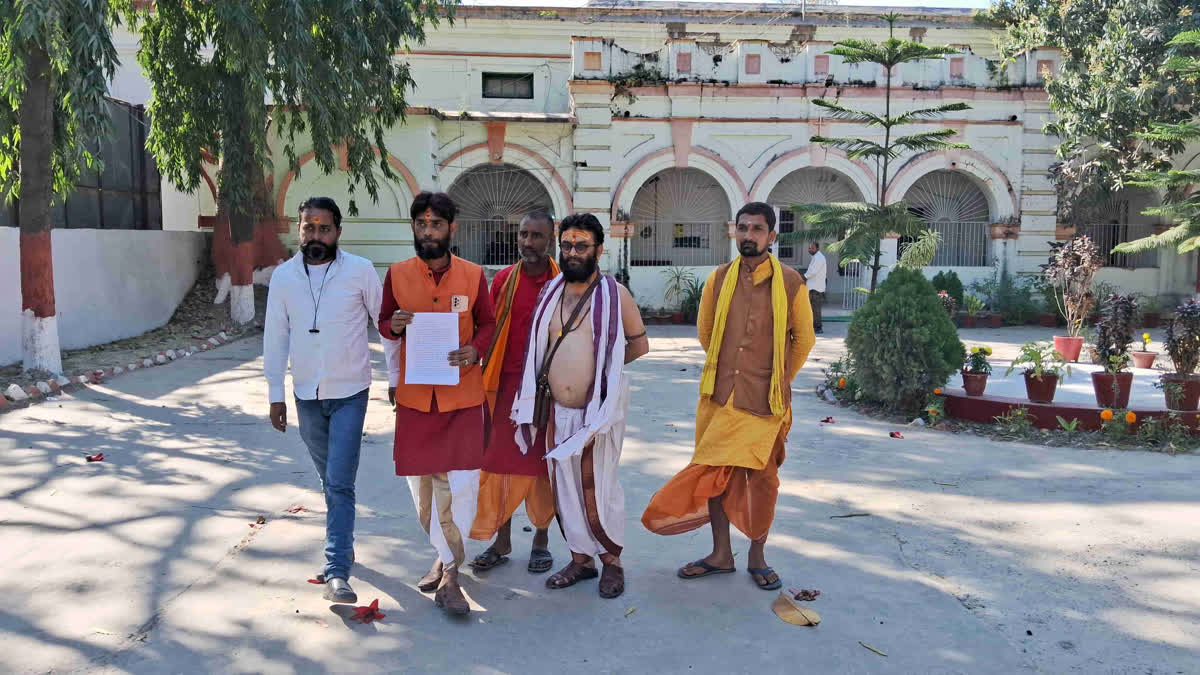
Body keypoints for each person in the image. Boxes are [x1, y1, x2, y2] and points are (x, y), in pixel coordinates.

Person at [641, 201, 815, 593]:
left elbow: (803, 338)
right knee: (714, 476)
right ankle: (721, 554)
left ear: (772, 236)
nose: (749, 235)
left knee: (762, 480)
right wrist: (727, 368)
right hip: (719, 397)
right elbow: (706, 332)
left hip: (765, 400)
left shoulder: (790, 282)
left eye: (757, 229)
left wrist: (780, 379)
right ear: (734, 232)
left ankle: (757, 556)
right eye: (743, 228)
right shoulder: (719, 279)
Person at [512, 213, 649, 599]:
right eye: (567, 245)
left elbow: (639, 344)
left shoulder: (614, 294)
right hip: (557, 411)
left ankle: (612, 562)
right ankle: (580, 559)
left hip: (598, 414)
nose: (573, 253)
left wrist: (603, 378)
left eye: (582, 246)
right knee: (565, 489)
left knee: (599, 487)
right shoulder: (551, 293)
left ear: (599, 251)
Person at [378, 191, 496, 616]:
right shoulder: (396, 274)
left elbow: (488, 323)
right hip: (415, 398)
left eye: (437, 225)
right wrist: (392, 325)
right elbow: (384, 323)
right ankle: (446, 559)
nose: (428, 232)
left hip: (462, 397)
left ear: (452, 228)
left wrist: (475, 350)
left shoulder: (472, 275)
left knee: (461, 486)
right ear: (413, 227)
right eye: (422, 224)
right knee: (422, 487)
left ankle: (450, 574)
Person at [264, 196, 382, 605]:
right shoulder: (283, 277)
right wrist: (275, 394)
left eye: (324, 228)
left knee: (338, 483)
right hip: (305, 396)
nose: (315, 235)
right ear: (299, 230)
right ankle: (343, 546)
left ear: (338, 232)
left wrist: (399, 379)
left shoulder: (361, 271)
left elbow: (385, 325)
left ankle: (337, 570)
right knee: (329, 481)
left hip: (350, 391)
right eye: (308, 227)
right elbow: (275, 336)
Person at [468, 212, 561, 574]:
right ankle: (501, 539)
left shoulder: (562, 282)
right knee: (498, 466)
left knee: (541, 468)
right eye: (523, 235)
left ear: (550, 240)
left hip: (547, 392)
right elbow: (486, 327)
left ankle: (541, 540)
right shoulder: (505, 279)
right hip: (503, 388)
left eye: (537, 236)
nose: (528, 242)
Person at [805, 242, 826, 334]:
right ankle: (813, 326)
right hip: (813, 287)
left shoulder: (818, 258)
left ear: (817, 248)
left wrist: (803, 277)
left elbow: (812, 271)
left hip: (816, 288)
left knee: (816, 309)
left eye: (812, 248)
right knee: (811, 308)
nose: (810, 250)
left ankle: (818, 328)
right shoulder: (816, 257)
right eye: (809, 248)